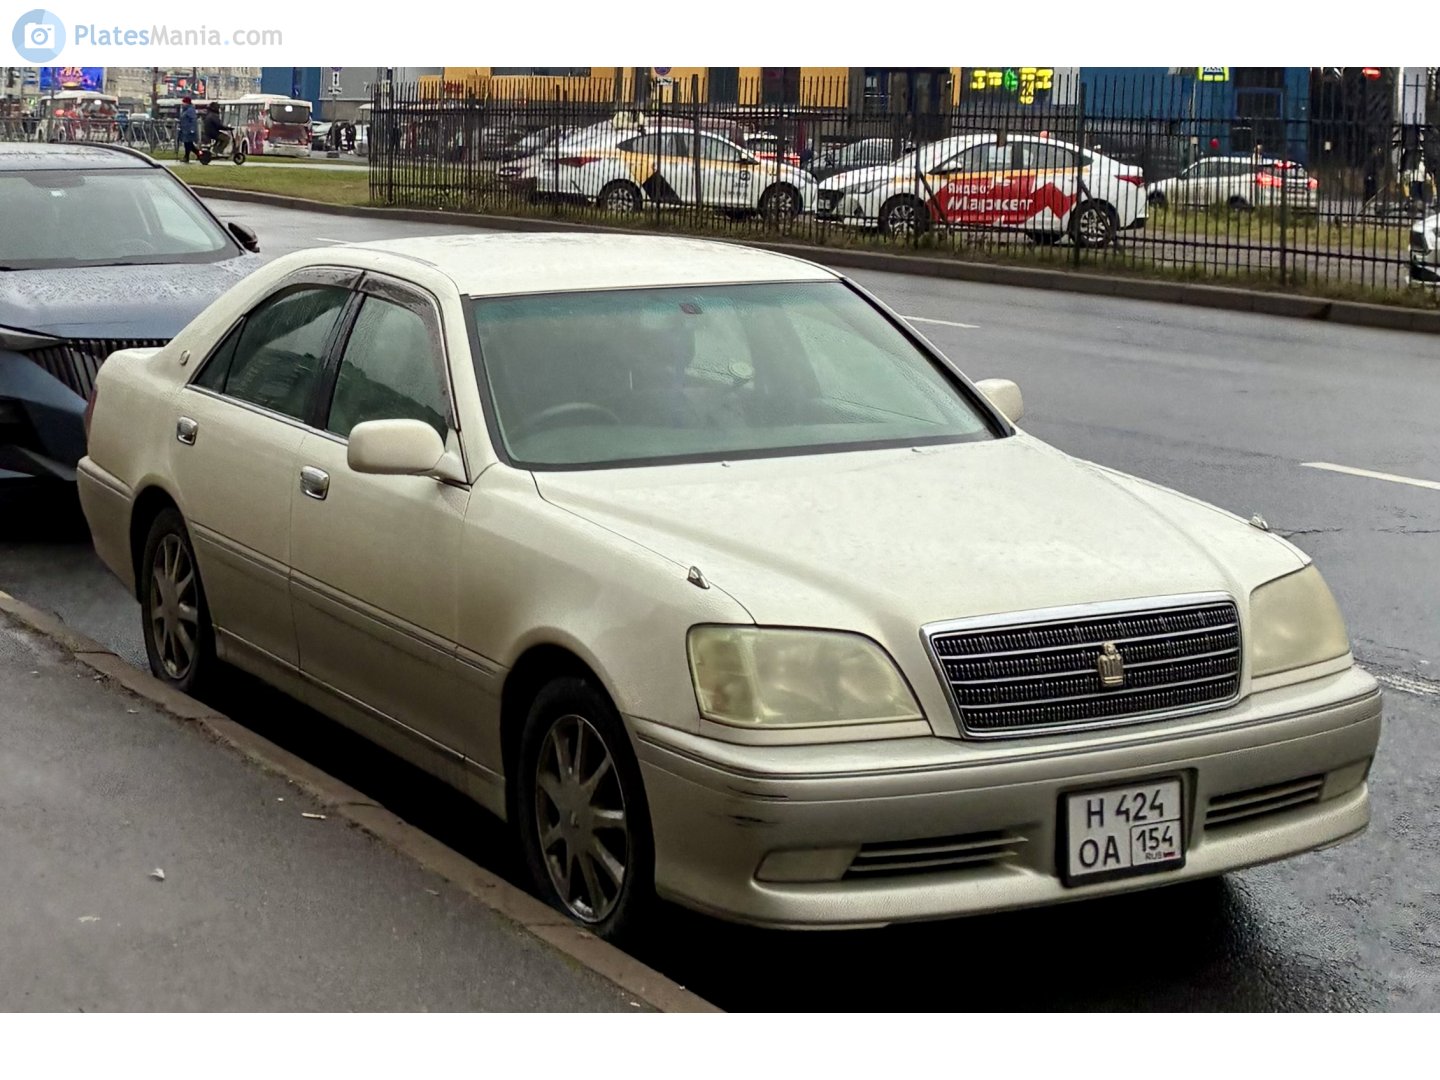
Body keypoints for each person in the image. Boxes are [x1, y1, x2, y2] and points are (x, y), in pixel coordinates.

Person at [177, 97, 198, 163]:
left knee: (188, 144)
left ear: (187, 103)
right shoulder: (185, 110)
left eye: (184, 102)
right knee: (189, 144)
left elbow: (193, 120)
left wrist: (192, 129)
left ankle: (187, 157)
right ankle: (199, 154)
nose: (183, 103)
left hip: (188, 131)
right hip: (185, 130)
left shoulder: (190, 110)